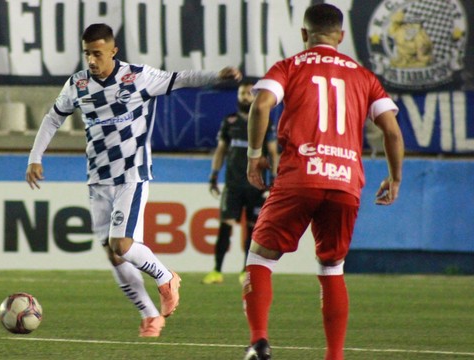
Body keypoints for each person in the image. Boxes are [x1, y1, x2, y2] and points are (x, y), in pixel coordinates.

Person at [25, 23, 242, 338]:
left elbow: (181, 78)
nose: (91, 60)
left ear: (113, 51)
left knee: (122, 245)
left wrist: (217, 76)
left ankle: (166, 277)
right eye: (87, 53)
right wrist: (35, 156)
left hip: (132, 173)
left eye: (97, 53)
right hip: (97, 178)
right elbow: (53, 117)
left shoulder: (137, 77)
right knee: (114, 255)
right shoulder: (78, 84)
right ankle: (150, 315)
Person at [242, 4, 404, 360]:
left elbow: (262, 104)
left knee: (260, 257)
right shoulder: (364, 76)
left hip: (301, 175)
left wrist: (255, 154)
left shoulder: (290, 66)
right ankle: (334, 355)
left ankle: (259, 342)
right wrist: (394, 178)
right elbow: (391, 130)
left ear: (304, 34)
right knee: (332, 267)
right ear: (341, 36)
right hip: (346, 182)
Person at [202, 82, 279, 285]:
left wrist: (275, 179)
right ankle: (217, 271)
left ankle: (245, 271)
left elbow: (272, 152)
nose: (245, 97)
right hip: (233, 184)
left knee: (253, 229)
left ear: (255, 97)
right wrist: (214, 175)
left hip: (256, 185)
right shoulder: (230, 121)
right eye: (242, 93)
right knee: (225, 226)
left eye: (248, 93)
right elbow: (221, 150)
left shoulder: (264, 119)